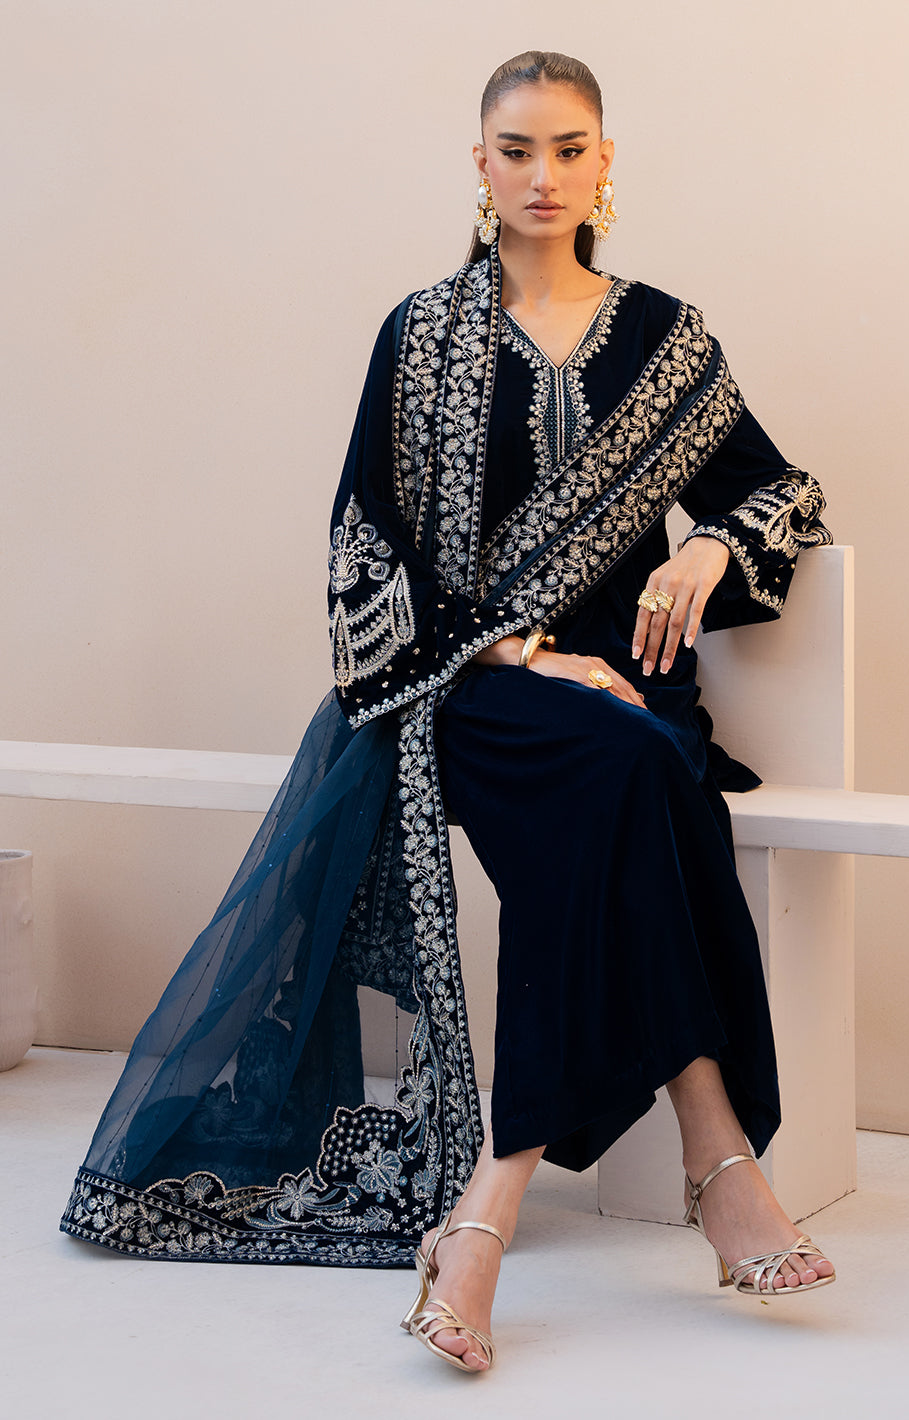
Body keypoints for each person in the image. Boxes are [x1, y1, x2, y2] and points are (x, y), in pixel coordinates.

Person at [60, 50, 835, 1374]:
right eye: (517, 150)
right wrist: (521, 652)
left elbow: (784, 490)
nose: (544, 176)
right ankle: (711, 1163)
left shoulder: (668, 339)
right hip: (461, 690)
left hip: (629, 700)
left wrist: (710, 543)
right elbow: (363, 550)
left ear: (605, 162)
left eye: (569, 149)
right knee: (629, 782)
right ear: (480, 166)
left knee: (631, 769)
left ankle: (490, 1209)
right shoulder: (421, 334)